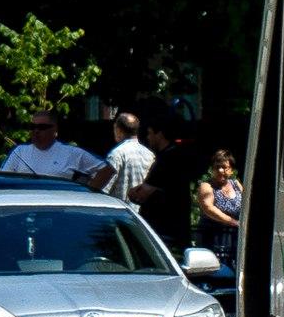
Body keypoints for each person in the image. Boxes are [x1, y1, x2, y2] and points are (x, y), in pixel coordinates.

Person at [128, 100, 203, 255]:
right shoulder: (175, 156)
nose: (147, 138)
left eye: (149, 133)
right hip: (174, 232)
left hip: (165, 234)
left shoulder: (167, 160)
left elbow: (140, 194)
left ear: (159, 134)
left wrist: (133, 192)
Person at [0, 110, 112, 188]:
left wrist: (87, 194)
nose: (36, 131)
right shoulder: (19, 152)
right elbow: (3, 181)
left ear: (55, 129)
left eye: (42, 127)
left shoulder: (71, 153)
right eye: (32, 127)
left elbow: (106, 170)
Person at [196, 150, 243, 266]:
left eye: (225, 167)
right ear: (212, 169)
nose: (221, 170)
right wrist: (233, 222)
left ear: (231, 170)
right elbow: (209, 208)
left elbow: (247, 204)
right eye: (217, 167)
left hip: (235, 238)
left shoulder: (236, 184)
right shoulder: (206, 186)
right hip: (213, 238)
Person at [99, 110, 153, 204]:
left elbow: (104, 189)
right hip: (141, 214)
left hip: (120, 212)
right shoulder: (150, 154)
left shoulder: (116, 154)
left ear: (118, 130)